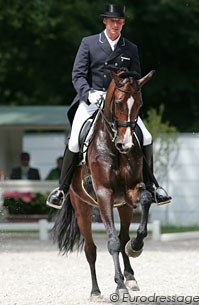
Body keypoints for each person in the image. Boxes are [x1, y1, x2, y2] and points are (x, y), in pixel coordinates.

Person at [47, 4, 171, 209]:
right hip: (92, 100)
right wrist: (88, 93)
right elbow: (77, 75)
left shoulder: (130, 48)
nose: (116, 25)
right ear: (105, 21)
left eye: (120, 22)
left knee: (147, 137)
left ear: (123, 23)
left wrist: (129, 94)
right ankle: (61, 189)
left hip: (121, 103)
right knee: (75, 142)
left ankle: (152, 186)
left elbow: (135, 79)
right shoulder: (89, 43)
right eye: (113, 21)